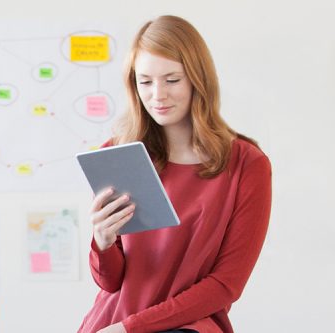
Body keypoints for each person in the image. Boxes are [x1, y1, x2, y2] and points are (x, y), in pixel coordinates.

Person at [77, 15, 272, 333]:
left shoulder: (246, 165)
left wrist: (131, 328)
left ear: (198, 78)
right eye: (145, 81)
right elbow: (110, 283)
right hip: (110, 324)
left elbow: (226, 285)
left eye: (172, 80)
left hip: (184, 328)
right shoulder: (118, 154)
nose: (158, 95)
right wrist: (102, 240)